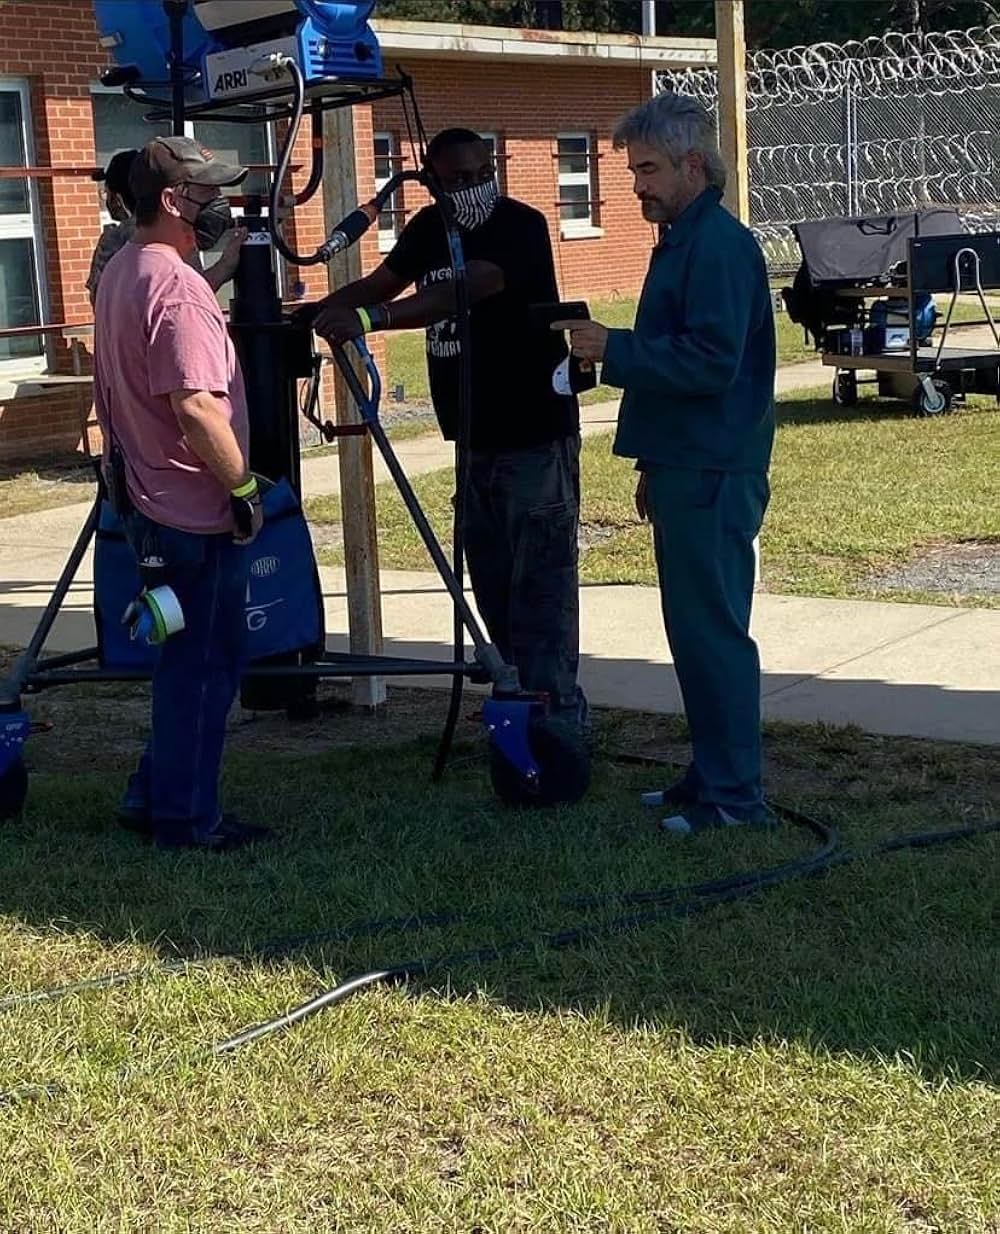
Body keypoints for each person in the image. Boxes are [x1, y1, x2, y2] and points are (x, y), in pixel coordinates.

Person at [309, 127, 587, 729]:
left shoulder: (521, 224)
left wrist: (371, 319)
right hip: (474, 438)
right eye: (455, 180)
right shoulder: (429, 230)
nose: (471, 188)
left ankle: (558, 725)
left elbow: (465, 288)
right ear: (430, 182)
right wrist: (316, 313)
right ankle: (515, 704)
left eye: (480, 174)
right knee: (489, 580)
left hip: (533, 433)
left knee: (539, 590)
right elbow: (383, 282)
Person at [556, 94, 776, 835]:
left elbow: (712, 363)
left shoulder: (716, 244)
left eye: (648, 169)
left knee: (713, 632)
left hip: (714, 470)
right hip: (686, 464)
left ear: (692, 164)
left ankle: (735, 798)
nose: (637, 186)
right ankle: (710, 772)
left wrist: (610, 348)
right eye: (631, 172)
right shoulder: (684, 235)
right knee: (692, 630)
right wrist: (652, 463)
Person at [93, 135, 268, 852]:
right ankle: (187, 821)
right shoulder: (176, 288)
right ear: (172, 200)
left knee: (181, 662)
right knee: (202, 670)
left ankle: (151, 795)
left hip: (145, 499)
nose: (221, 202)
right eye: (209, 191)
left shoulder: (127, 268)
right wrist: (245, 488)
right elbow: (197, 406)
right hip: (191, 511)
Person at [87, 147, 245, 307]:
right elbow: (187, 296)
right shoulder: (165, 236)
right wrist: (225, 265)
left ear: (117, 197)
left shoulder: (114, 242)